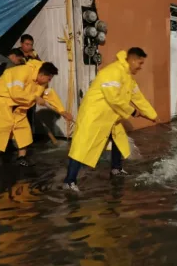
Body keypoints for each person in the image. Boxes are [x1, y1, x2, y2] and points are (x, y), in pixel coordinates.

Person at [64, 47, 158, 192]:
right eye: (140, 63)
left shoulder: (128, 77)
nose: (140, 67)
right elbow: (113, 97)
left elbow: (138, 97)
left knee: (117, 139)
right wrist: (132, 111)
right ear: (132, 60)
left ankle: (116, 168)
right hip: (94, 115)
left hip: (111, 116)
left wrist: (152, 115)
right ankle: (69, 181)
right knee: (81, 147)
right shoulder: (113, 72)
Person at [0, 60, 73, 178]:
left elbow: (49, 95)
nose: (49, 81)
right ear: (42, 75)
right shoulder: (22, 71)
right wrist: (35, 97)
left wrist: (62, 111)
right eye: (49, 78)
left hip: (18, 104)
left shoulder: (41, 82)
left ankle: (21, 158)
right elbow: (15, 92)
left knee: (23, 129)